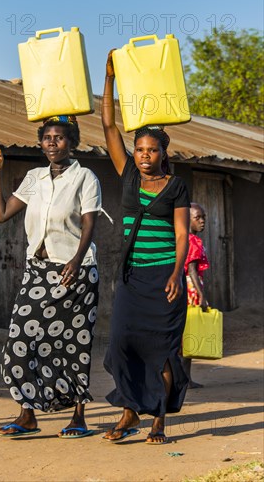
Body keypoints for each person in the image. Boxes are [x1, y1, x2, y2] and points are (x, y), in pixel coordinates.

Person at [0, 115, 101, 439]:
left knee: (73, 344)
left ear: (72, 143)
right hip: (38, 272)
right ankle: (27, 413)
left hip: (76, 273)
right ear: (41, 143)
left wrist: (77, 261)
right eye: (47, 138)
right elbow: (0, 214)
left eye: (59, 138)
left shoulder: (86, 178)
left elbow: (90, 223)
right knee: (19, 342)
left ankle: (78, 415)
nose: (52, 143)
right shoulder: (34, 178)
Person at [101, 51, 190, 444]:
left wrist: (176, 273)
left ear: (163, 152)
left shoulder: (176, 186)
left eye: (151, 150)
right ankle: (129, 411)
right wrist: (109, 80)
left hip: (164, 279)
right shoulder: (128, 176)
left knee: (163, 351)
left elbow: (183, 234)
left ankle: (157, 418)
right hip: (132, 279)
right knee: (122, 342)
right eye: (139, 150)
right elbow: (107, 126)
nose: (144, 156)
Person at [182, 202, 210, 388]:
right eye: (197, 217)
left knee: (187, 336)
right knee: (189, 334)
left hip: (189, 287)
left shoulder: (185, 238)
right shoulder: (192, 240)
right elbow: (192, 269)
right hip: (191, 289)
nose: (202, 221)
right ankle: (184, 380)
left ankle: (186, 379)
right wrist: (201, 295)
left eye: (203, 218)